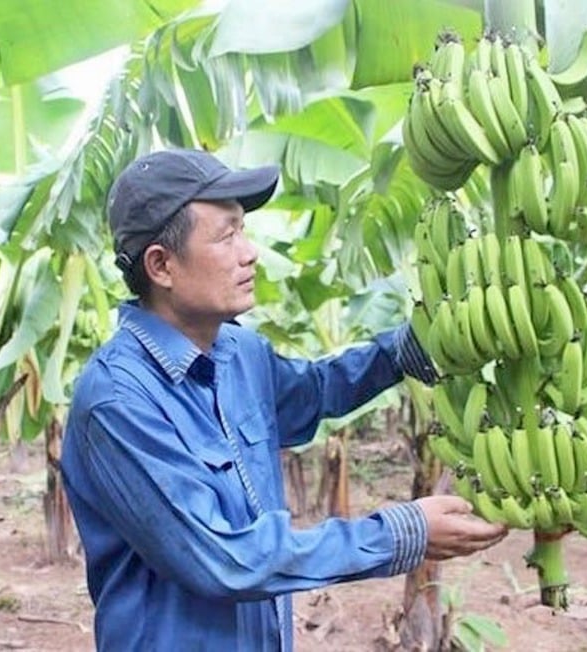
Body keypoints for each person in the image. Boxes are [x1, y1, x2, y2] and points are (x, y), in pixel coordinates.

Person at [60, 148, 508, 651]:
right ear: (161, 266)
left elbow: (318, 390)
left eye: (244, 231)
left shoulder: (240, 352)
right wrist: (401, 532)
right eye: (226, 235)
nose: (249, 251)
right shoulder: (118, 401)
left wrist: (414, 346)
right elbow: (225, 560)